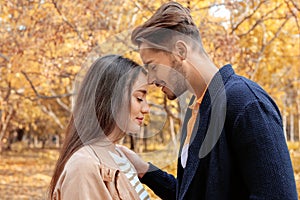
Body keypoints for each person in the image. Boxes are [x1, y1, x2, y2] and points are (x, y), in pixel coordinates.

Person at [118, 2, 298, 200]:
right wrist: (145, 170)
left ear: (180, 51)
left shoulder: (245, 103)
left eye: (152, 66)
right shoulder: (195, 111)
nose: (151, 80)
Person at [48, 55, 151, 200]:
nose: (146, 109)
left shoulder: (120, 156)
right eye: (139, 98)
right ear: (111, 97)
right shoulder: (84, 166)